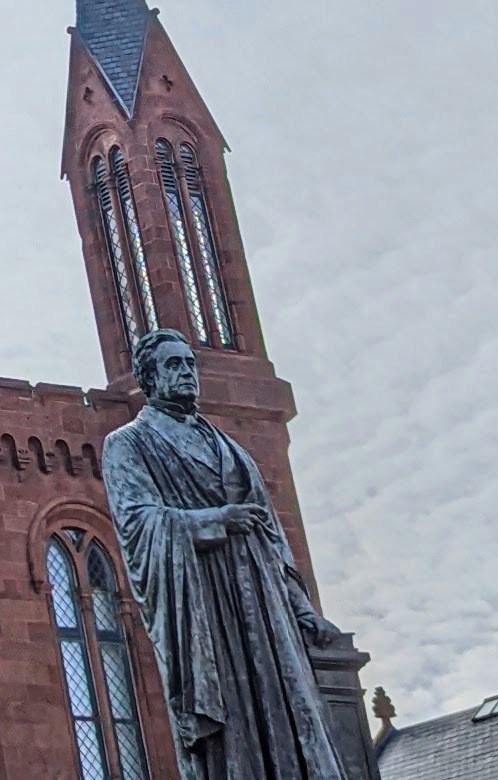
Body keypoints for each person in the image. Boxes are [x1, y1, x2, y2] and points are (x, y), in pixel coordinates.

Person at [99, 328, 353, 780]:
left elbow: (273, 535)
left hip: (263, 601)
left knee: (287, 708)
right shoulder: (129, 443)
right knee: (236, 722)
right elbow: (137, 522)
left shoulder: (231, 447)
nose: (186, 373)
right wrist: (218, 520)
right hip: (204, 600)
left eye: (189, 363)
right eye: (173, 364)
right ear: (150, 378)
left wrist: (302, 610)